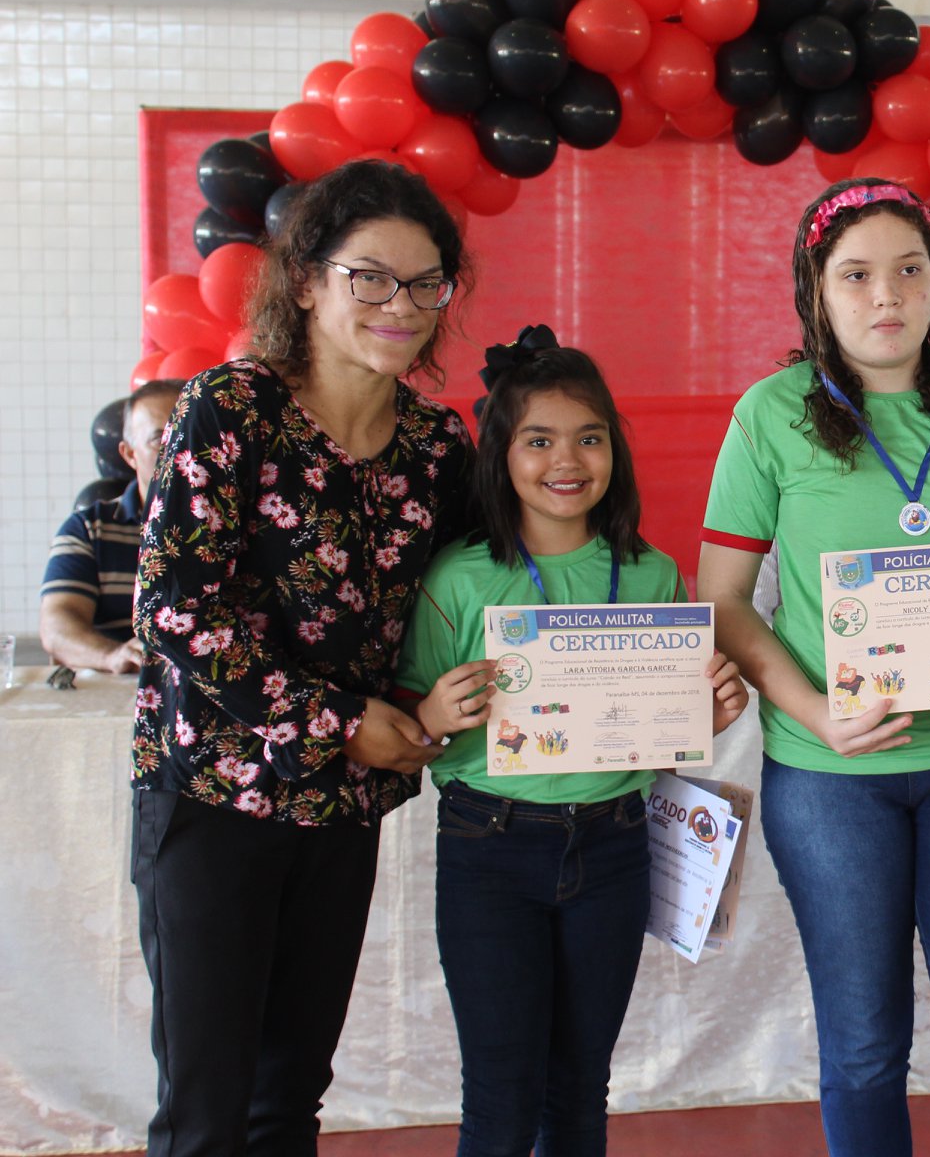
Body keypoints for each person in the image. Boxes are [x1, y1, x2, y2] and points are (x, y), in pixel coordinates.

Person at [697, 179, 930, 1156]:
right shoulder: (769, 415)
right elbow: (724, 600)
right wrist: (813, 710)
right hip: (829, 774)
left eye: (909, 269)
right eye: (855, 274)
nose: (886, 294)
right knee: (864, 1051)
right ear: (816, 291)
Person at [129, 160, 474, 1156]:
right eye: (371, 277)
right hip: (213, 796)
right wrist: (340, 721)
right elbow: (175, 610)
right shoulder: (231, 408)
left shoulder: (437, 446)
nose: (400, 305)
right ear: (307, 281)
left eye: (426, 283)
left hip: (339, 811)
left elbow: (465, 604)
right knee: (206, 1108)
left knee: (288, 1101)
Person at [393, 328, 747, 1157]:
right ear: (501, 454)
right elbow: (409, 725)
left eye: (590, 438)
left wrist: (702, 720)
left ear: (614, 451)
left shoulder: (652, 575)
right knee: (501, 1099)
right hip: (489, 848)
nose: (567, 460)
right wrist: (434, 713)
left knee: (582, 1090)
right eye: (539, 440)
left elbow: (653, 739)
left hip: (615, 849)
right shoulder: (458, 578)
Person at [40, 379, 183, 672]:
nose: (179, 448)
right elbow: (56, 627)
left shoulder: (239, 528)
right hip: (122, 686)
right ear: (129, 454)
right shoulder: (89, 529)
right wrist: (112, 655)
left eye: (187, 433)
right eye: (159, 438)